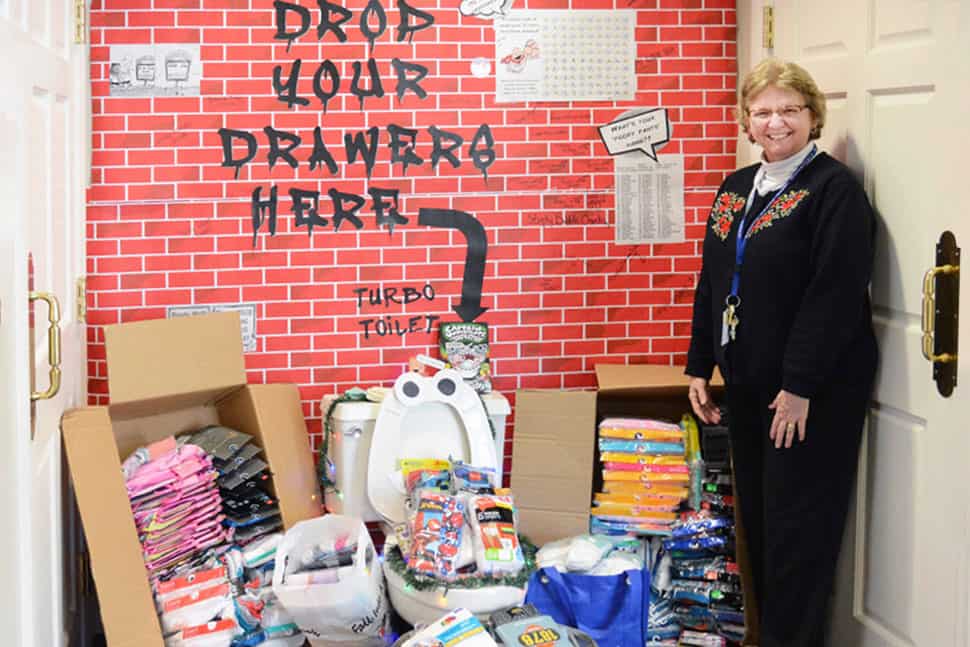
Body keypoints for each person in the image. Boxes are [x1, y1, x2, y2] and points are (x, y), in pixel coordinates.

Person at [685, 58, 878, 647]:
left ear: (813, 117)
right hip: (747, 384)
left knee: (799, 532)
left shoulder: (833, 191)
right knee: (762, 526)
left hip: (806, 393)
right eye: (763, 111)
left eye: (789, 110)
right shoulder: (737, 187)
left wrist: (798, 387)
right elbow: (713, 278)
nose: (775, 122)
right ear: (747, 122)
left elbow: (835, 294)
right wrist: (701, 362)